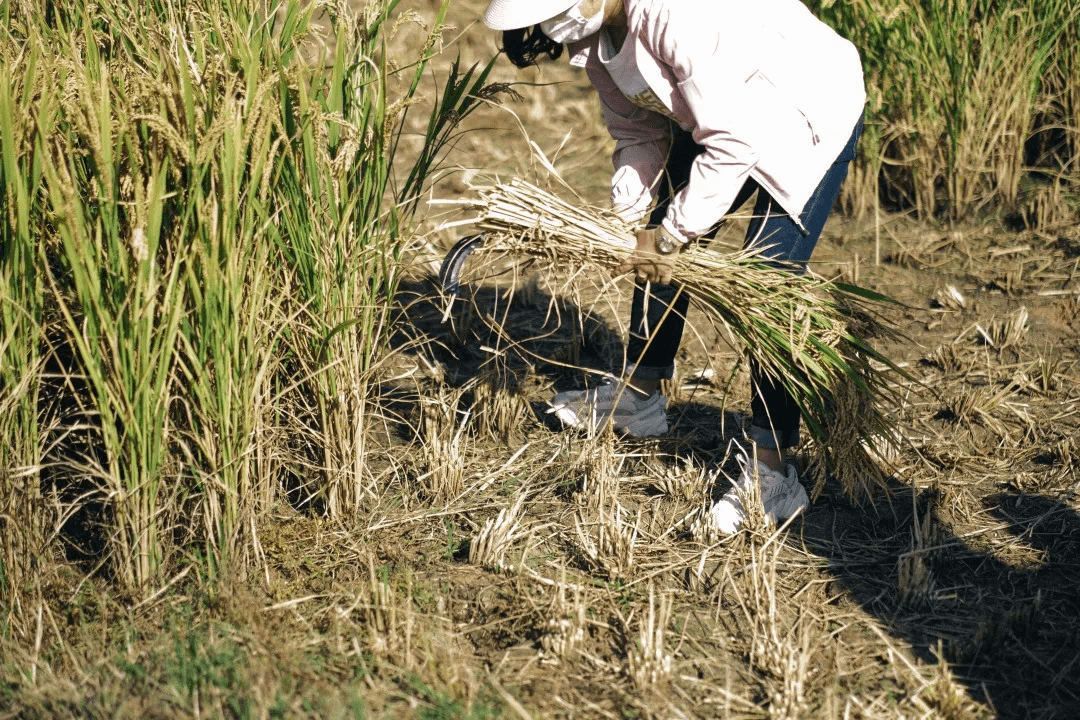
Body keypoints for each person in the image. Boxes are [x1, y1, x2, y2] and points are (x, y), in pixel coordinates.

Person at [482, 0, 865, 533]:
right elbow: (638, 134)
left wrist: (672, 237)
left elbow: (734, 142)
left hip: (802, 107)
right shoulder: (600, 40)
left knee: (768, 285)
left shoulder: (675, 13)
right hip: (725, 113)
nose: (556, 21)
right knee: (660, 229)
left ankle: (774, 471)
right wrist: (639, 221)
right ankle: (638, 399)